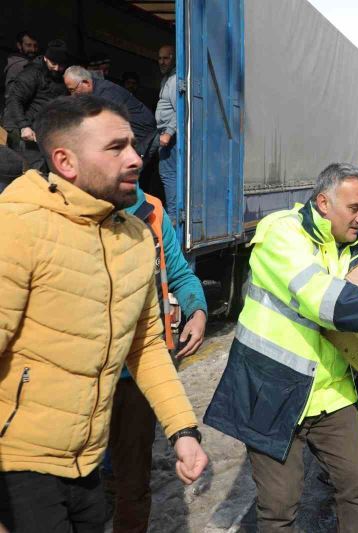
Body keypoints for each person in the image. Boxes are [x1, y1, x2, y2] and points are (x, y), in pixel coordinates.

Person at [0, 94, 207, 533]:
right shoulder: (18, 227)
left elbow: (147, 346)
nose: (135, 158)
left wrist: (183, 432)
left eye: (132, 144)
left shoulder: (135, 236)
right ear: (65, 161)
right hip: (19, 465)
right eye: (115, 148)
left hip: (84, 463)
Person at [203, 163, 358, 532]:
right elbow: (320, 298)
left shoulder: (355, 249)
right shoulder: (282, 233)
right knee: (279, 508)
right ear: (324, 203)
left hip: (332, 394)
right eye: (355, 208)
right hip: (273, 393)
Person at [106, 185, 208, 532]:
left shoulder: (152, 210)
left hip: (138, 377)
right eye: (116, 147)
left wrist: (196, 309)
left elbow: (178, 272)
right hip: (85, 381)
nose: (134, 158)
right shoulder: (59, 217)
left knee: (132, 480)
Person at [64, 65, 157, 165]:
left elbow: (109, 124)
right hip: (131, 137)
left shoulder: (106, 94)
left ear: (86, 83)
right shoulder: (94, 92)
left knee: (127, 172)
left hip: (143, 136)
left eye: (73, 90)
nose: (72, 95)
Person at [3, 39, 70, 171]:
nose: (57, 68)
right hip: (20, 127)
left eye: (61, 65)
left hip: (41, 131)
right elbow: (14, 99)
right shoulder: (32, 73)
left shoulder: (60, 76)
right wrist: (24, 126)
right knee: (34, 168)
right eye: (54, 63)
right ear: (46, 58)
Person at [156, 44, 178, 222]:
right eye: (160, 58)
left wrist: (169, 132)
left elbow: (180, 110)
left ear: (174, 58)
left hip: (169, 137)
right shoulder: (166, 79)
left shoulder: (173, 80)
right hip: (163, 133)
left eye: (166, 58)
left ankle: (173, 216)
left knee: (168, 174)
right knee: (166, 174)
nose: (162, 62)